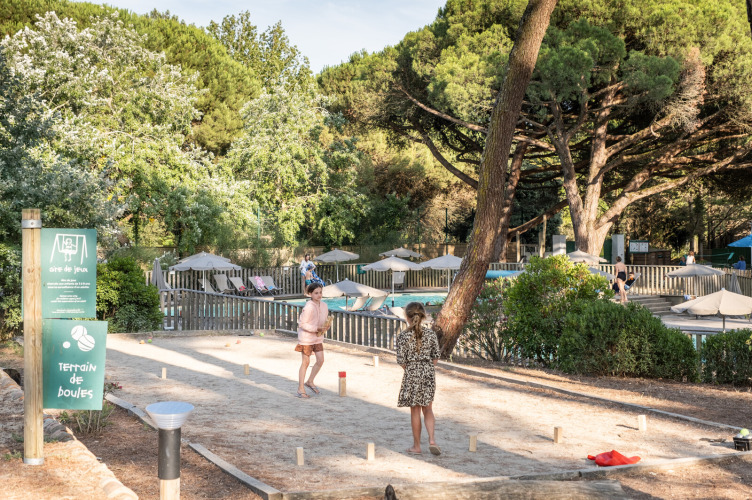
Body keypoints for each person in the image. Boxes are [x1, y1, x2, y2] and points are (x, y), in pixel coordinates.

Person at [396, 302, 441, 456]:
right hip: (428, 372)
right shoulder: (431, 334)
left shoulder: (403, 336)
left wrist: (411, 369)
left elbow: (401, 360)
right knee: (428, 409)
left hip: (411, 373)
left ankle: (417, 446)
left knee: (415, 411)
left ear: (407, 317)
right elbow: (435, 358)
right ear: (423, 315)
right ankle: (432, 439)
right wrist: (425, 366)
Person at [295, 282, 330, 398]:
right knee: (306, 362)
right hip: (306, 338)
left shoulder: (324, 305)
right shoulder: (308, 307)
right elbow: (302, 324)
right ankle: (300, 388)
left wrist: (326, 326)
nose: (319, 295)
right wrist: (316, 328)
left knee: (320, 360)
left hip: (318, 337)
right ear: (310, 294)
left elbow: (323, 321)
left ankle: (310, 381)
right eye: (316, 293)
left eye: (320, 292)